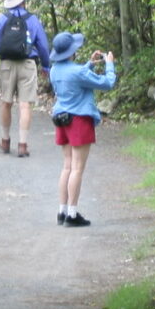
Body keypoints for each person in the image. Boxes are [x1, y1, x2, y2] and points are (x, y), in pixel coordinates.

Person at [47, 32, 115, 227]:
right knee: (77, 168)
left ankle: (62, 211)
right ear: (72, 52)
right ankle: (72, 214)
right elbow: (107, 83)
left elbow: (74, 76)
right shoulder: (77, 72)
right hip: (79, 120)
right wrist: (109, 64)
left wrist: (90, 64)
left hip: (62, 120)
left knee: (67, 166)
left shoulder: (54, 70)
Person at [0, 0, 51, 157]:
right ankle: (22, 144)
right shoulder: (33, 19)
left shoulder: (2, 19)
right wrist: (46, 66)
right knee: (25, 105)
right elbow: (42, 44)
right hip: (28, 64)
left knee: (6, 102)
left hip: (6, 64)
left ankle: (5, 141)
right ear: (23, 2)